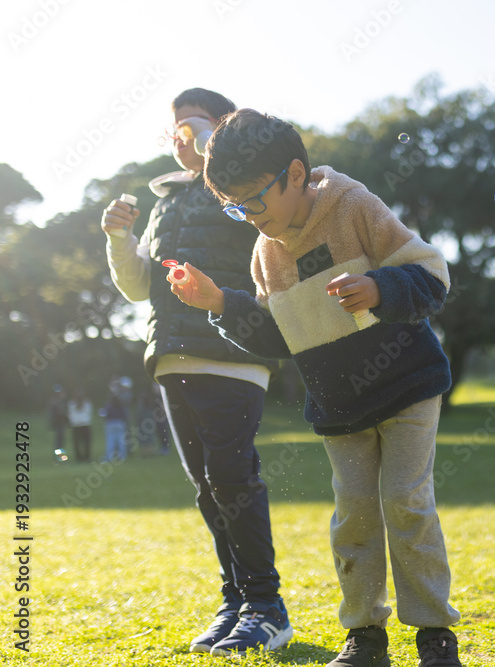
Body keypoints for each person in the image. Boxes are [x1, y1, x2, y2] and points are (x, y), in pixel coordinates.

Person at [170, 108, 463, 667]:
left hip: (407, 384)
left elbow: (431, 274)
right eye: (234, 207)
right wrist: (221, 303)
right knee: (354, 516)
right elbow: (280, 337)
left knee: (405, 501)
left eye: (254, 200)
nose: (248, 216)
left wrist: (379, 288)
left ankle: (434, 635)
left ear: (296, 174)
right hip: (339, 402)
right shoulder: (265, 254)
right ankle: (365, 637)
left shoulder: (353, 206)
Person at [101, 88, 291, 656]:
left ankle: (267, 608)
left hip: (232, 353)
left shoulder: (244, 187)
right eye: (175, 129)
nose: (181, 137)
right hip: (170, 355)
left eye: (196, 126)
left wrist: (223, 163)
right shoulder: (164, 201)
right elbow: (139, 287)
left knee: (233, 481)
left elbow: (278, 239)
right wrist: (118, 238)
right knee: (209, 489)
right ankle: (236, 601)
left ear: (222, 130)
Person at [99, 389, 127, 463]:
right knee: (121, 442)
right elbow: (124, 415)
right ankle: (122, 456)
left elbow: (104, 414)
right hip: (120, 423)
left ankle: (109, 457)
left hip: (110, 423)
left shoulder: (108, 406)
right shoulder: (121, 405)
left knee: (110, 442)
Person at [67, 388, 93, 463]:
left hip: (76, 425)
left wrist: (72, 421)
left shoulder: (71, 404)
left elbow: (70, 414)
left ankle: (79, 457)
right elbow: (89, 413)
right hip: (85, 424)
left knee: (77, 443)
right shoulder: (87, 403)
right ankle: (87, 457)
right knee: (86, 442)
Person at [48, 384, 69, 458]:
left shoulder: (61, 402)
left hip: (61, 423)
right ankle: (59, 455)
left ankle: (60, 454)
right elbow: (56, 413)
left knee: (61, 440)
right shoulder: (55, 402)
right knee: (59, 440)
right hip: (58, 423)